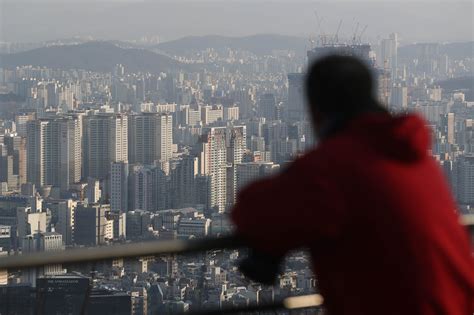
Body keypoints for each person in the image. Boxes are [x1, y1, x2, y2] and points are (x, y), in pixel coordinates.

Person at [231, 55, 474, 315]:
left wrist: (299, 169)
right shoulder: (416, 156)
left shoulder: (332, 166)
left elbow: (250, 209)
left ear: (315, 110)